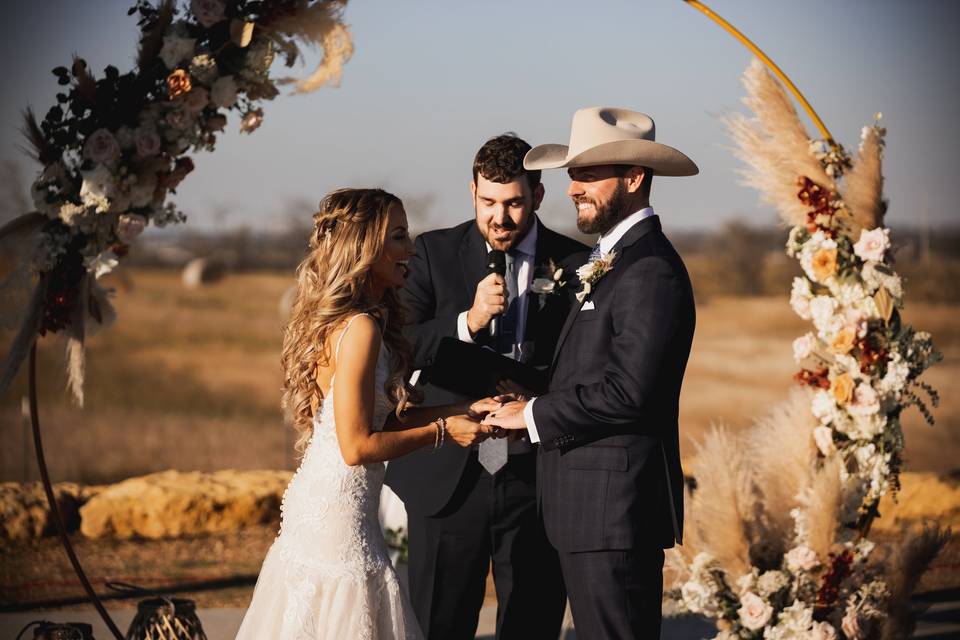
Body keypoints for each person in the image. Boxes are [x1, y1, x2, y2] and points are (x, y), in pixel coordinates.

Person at [236, 188, 495, 640]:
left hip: (327, 504)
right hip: (338, 519)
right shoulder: (360, 328)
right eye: (397, 237)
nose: (410, 249)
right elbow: (357, 447)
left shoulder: (353, 319)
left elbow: (378, 424)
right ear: (365, 246)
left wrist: (461, 408)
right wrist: (443, 432)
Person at [482, 107, 699, 638]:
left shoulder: (649, 269)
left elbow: (630, 392)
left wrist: (529, 414)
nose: (573, 188)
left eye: (588, 174)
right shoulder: (606, 261)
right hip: (583, 511)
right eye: (572, 175)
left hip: (615, 512)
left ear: (633, 177)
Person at [385, 134, 587, 639]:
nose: (500, 217)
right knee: (438, 624)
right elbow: (398, 344)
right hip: (449, 476)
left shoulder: (578, 265)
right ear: (472, 191)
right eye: (488, 202)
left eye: (515, 202)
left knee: (533, 623)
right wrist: (466, 322)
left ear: (537, 197)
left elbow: (585, 366)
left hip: (536, 475)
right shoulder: (431, 253)